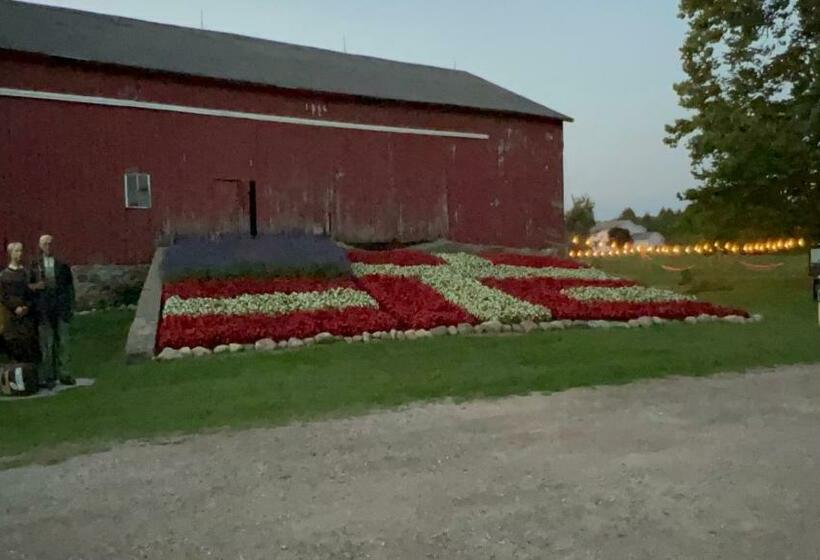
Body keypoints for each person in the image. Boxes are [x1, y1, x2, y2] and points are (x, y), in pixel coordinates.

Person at [30, 235, 76, 387]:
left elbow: (70, 288)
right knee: (47, 344)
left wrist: (70, 307)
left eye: (50, 243)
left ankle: (65, 374)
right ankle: (49, 376)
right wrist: (36, 287)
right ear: (40, 246)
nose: (48, 246)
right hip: (44, 310)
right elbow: (28, 286)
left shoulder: (62, 264)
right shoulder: (34, 265)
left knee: (63, 342)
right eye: (45, 244)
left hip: (61, 308)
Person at [0, 242, 41, 377]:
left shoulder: (27, 273)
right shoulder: (4, 275)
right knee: (14, 344)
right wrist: (14, 307)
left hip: (27, 315)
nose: (20, 254)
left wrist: (26, 307)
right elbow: (3, 296)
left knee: (29, 344)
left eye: (21, 251)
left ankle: (32, 377)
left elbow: (31, 293)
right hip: (12, 316)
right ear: (10, 253)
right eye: (16, 251)